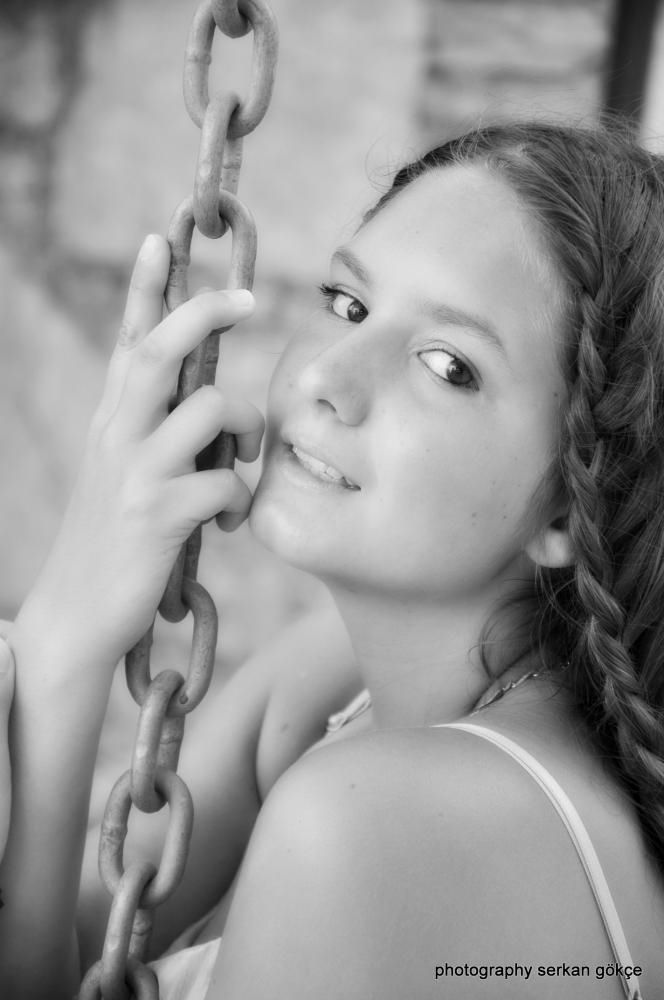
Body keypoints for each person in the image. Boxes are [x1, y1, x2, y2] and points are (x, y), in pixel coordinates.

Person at [1, 119, 663, 999]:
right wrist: (69, 636)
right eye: (348, 305)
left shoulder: (367, 819)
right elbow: (69, 953)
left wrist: (54, 645)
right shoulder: (332, 682)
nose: (326, 378)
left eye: (447, 365)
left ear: (572, 508)